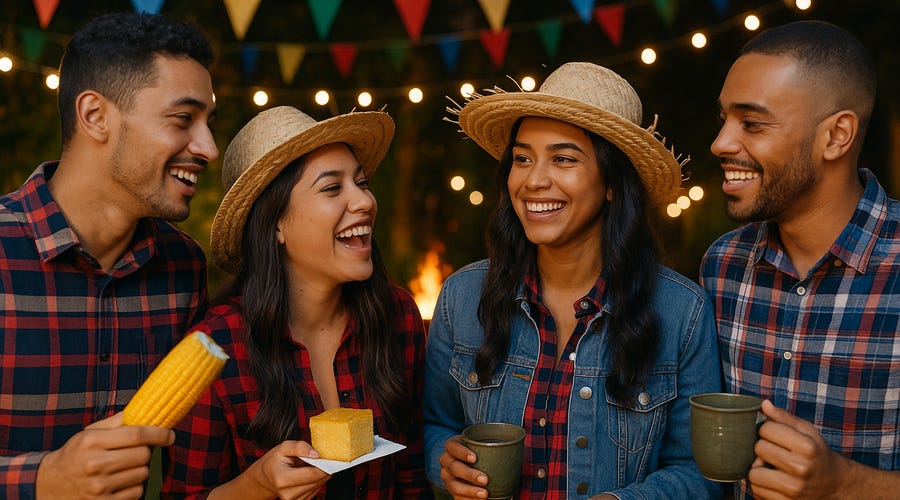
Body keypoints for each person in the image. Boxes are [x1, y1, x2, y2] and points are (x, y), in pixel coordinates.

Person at [425, 62, 723, 499]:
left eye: (563, 159)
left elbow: (701, 472)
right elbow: (436, 425)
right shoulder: (462, 296)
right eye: (522, 158)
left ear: (612, 184)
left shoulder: (682, 312)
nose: (534, 180)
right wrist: (444, 462)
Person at [161, 106, 430, 499]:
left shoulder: (397, 315)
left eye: (362, 182)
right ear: (276, 224)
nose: (365, 202)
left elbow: (411, 478)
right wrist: (258, 485)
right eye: (332, 188)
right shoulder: (215, 348)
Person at [0, 12, 216, 499]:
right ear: (95, 116)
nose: (208, 148)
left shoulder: (184, 268)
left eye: (207, 123)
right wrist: (44, 480)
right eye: (183, 119)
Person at [700, 20, 900, 499]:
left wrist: (845, 484)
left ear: (836, 136)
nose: (721, 143)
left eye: (752, 123)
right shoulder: (721, 266)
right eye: (725, 118)